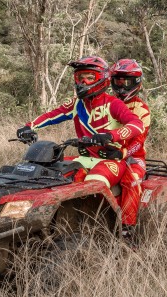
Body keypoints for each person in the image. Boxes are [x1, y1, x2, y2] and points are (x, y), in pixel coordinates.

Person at [17, 56, 145, 207]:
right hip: (84, 158)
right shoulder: (76, 104)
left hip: (111, 160)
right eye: (80, 77)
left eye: (90, 77)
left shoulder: (113, 103)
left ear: (102, 79)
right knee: (52, 178)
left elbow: (137, 125)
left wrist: (111, 135)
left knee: (93, 185)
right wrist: (29, 126)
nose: (83, 82)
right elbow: (52, 115)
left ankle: (118, 228)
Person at [109, 58, 151, 239]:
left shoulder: (141, 109)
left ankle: (127, 229)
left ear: (136, 82)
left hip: (133, 158)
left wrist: (123, 153)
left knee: (132, 180)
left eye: (126, 82)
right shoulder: (106, 103)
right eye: (117, 81)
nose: (121, 86)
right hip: (106, 155)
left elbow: (138, 141)